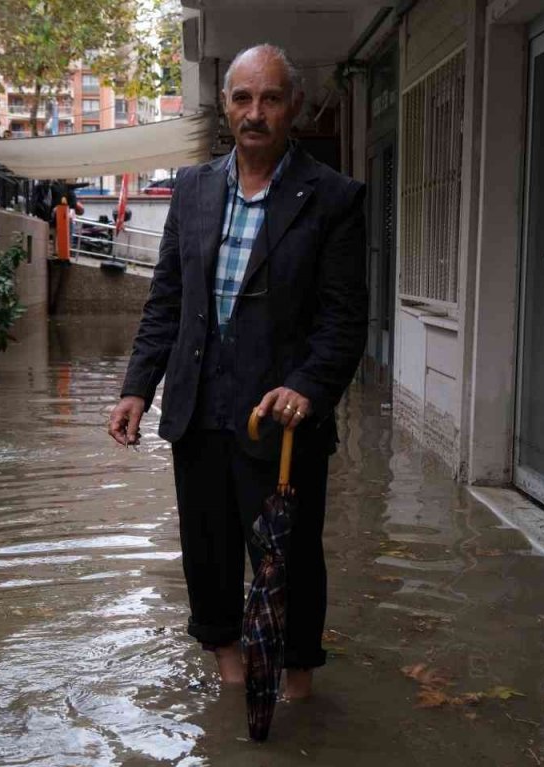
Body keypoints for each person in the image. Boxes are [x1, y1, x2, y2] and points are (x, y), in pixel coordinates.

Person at [107, 44, 367, 700]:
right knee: (208, 549)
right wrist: (138, 387)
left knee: (291, 556)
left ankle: (298, 680)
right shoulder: (193, 189)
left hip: (279, 419)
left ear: (294, 108)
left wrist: (307, 388)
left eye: (270, 98)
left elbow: (344, 322)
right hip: (199, 409)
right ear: (224, 106)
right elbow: (168, 299)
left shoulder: (331, 198)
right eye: (243, 98)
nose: (255, 113)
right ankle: (229, 675)